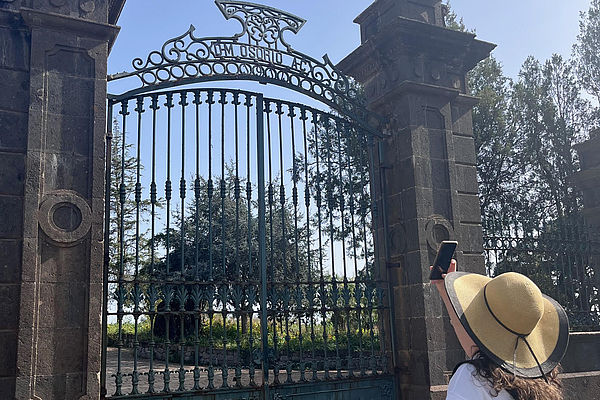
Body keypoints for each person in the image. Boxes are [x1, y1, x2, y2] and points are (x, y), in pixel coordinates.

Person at [431, 260, 569, 400]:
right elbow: (469, 340)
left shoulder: (473, 378)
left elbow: (472, 345)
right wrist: (445, 290)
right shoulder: (541, 379)